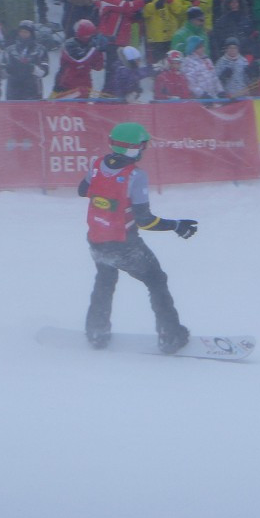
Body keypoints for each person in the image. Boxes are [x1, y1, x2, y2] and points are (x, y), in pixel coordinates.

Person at [78, 121, 195, 353]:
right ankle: (170, 336)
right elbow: (145, 221)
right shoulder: (136, 176)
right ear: (133, 149)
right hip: (124, 244)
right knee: (156, 280)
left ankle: (96, 332)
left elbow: (83, 190)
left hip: (97, 239)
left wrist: (104, 193)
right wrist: (176, 226)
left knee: (105, 280)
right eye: (142, 146)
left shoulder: (98, 163)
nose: (144, 150)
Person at [2, 20, 48, 99]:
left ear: (32, 33)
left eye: (26, 32)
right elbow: (2, 73)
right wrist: (8, 69)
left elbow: (44, 72)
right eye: (21, 32)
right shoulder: (9, 50)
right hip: (13, 90)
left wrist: (32, 68)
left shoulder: (40, 50)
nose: (23, 34)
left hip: (33, 90)